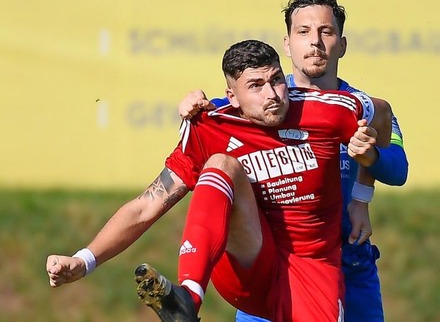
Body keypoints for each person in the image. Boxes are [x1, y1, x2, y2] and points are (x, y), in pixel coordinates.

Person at [46, 40, 381, 321]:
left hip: (314, 268)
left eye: (276, 79)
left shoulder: (327, 110)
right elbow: (146, 206)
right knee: (221, 164)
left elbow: (380, 112)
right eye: (255, 86)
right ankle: (188, 298)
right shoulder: (210, 128)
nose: (273, 94)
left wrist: (362, 195)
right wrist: (84, 259)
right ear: (231, 97)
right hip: (249, 266)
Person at [179, 0, 409, 322]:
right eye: (303, 32)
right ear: (287, 44)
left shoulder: (361, 107)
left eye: (326, 32)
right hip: (276, 266)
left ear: (342, 45)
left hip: (349, 264)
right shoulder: (266, 100)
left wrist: (365, 179)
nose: (315, 42)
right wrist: (192, 102)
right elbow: (215, 110)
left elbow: (399, 170)